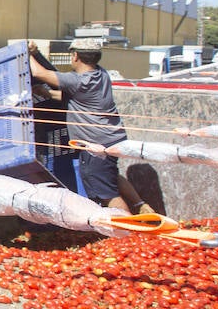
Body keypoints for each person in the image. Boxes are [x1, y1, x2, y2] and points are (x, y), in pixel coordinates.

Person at [28, 39, 152, 214]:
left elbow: (39, 73)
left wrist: (30, 52)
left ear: (75, 56)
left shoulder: (78, 80)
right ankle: (140, 205)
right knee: (109, 177)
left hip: (96, 144)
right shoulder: (101, 74)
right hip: (112, 137)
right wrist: (45, 93)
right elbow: (76, 98)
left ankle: (126, 229)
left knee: (106, 193)